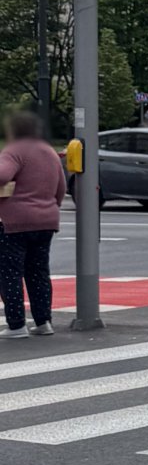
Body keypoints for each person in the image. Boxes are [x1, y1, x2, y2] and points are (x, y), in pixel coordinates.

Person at [0, 110, 65, 339]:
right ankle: (43, 321)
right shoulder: (48, 150)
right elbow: (61, 188)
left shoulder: (14, 150)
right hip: (46, 221)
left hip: (15, 222)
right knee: (38, 272)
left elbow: (2, 175)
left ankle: (17, 325)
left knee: (10, 273)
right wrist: (49, 208)